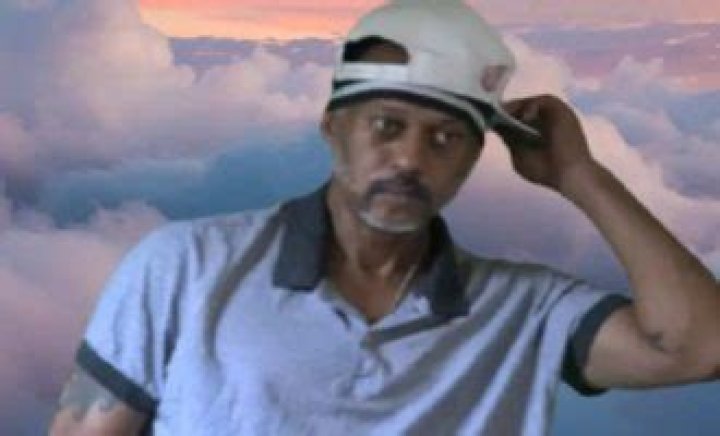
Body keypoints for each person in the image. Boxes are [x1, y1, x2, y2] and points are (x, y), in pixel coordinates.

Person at [50, 1, 720, 435]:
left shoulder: (524, 313)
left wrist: (581, 176)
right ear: (332, 127)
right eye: (386, 125)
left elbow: (697, 348)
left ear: (474, 156)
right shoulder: (181, 267)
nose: (411, 158)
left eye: (445, 137)